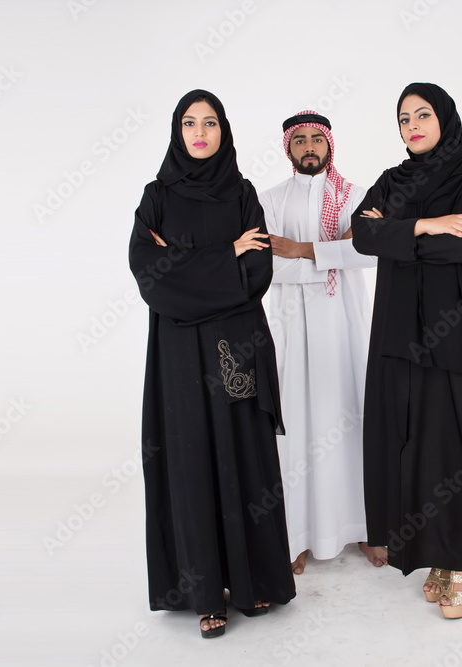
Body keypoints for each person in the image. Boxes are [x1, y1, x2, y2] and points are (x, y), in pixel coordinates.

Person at [129, 89, 295, 638]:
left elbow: (259, 275)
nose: (200, 132)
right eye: (189, 123)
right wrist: (225, 257)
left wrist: (190, 272)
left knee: (243, 456)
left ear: (224, 131)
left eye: (210, 123)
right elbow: (150, 276)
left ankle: (254, 584)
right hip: (178, 358)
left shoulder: (243, 193)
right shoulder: (157, 196)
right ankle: (206, 596)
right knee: (192, 463)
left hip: (234, 349)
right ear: (177, 133)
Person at [351, 82, 462, 619]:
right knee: (413, 441)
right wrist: (426, 223)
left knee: (456, 442)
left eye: (422, 114)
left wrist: (397, 233)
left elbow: (457, 243)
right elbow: (359, 233)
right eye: (403, 119)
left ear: (444, 117)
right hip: (397, 330)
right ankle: (434, 555)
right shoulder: (391, 179)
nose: (412, 126)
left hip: (451, 329)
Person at [258, 110, 385, 574]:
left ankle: (367, 528)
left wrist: (301, 250)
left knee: (354, 420)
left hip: (347, 327)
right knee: (297, 425)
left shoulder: (356, 195)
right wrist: (334, 255)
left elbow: (370, 252)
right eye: (300, 141)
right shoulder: (269, 198)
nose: (309, 147)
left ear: (330, 144)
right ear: (288, 148)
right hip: (292, 328)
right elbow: (267, 266)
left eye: (317, 139)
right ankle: (296, 535)